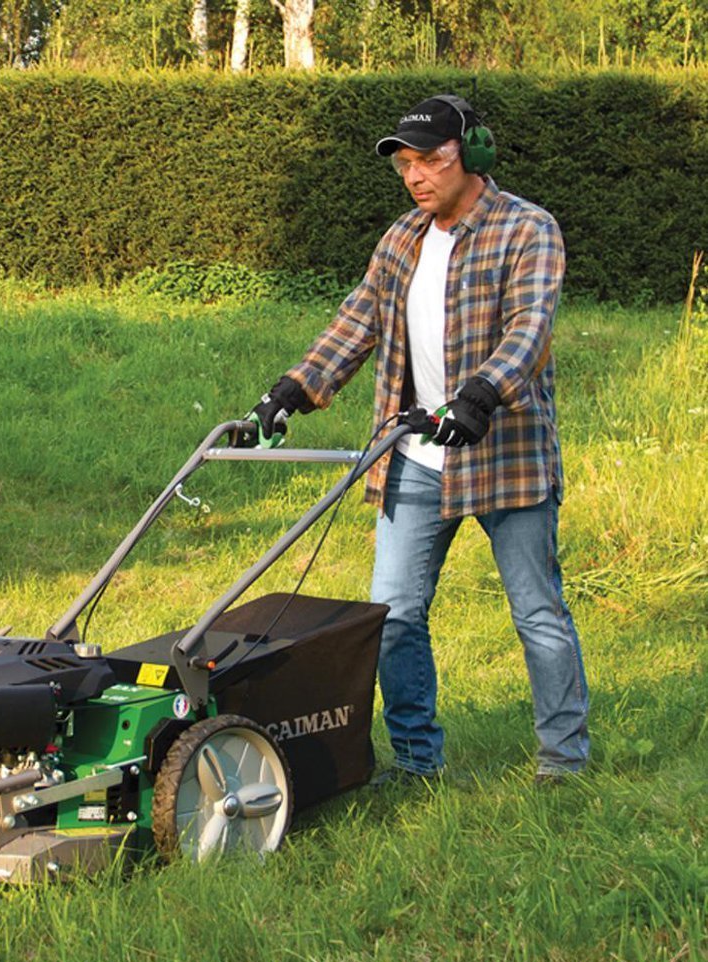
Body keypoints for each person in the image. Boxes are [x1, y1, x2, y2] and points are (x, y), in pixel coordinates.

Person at [236, 94, 589, 785]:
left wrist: (480, 396)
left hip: (504, 454)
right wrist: (289, 393)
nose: (416, 176)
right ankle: (417, 761)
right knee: (394, 616)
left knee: (537, 613)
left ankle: (563, 760)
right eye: (405, 164)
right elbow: (355, 325)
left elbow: (530, 328)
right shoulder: (402, 238)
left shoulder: (528, 230)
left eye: (430, 160)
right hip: (415, 457)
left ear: (473, 154)